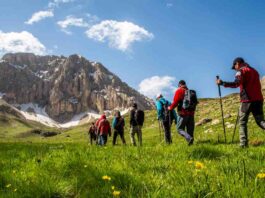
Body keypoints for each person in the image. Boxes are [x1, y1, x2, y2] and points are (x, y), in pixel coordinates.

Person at [216, 57, 265, 148]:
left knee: (242, 122)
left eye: (234, 66)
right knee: (260, 121)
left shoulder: (241, 71)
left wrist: (222, 83)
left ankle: (243, 145)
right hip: (258, 99)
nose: (234, 68)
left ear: (237, 63)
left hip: (247, 100)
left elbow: (236, 84)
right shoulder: (255, 71)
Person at [168, 80, 198, 145]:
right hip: (191, 113)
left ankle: (189, 138)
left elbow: (175, 102)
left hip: (183, 113)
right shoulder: (191, 92)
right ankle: (191, 145)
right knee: (190, 130)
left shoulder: (179, 91)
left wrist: (170, 108)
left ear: (179, 85)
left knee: (179, 129)